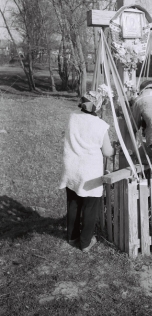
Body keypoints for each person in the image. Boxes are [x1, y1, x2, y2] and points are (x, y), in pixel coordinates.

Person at [59, 89, 115, 253]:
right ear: (98, 107)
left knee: (73, 204)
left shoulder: (73, 117)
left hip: (71, 167)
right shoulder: (101, 125)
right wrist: (114, 149)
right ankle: (85, 243)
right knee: (90, 208)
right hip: (89, 172)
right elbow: (107, 152)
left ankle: (72, 237)